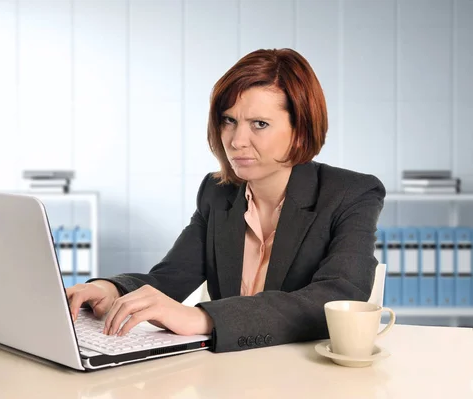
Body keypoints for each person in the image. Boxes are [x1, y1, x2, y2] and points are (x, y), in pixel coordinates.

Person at [66, 48, 385, 353]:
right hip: (228, 374)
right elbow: (170, 277)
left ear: (300, 131)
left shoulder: (351, 193)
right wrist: (111, 289)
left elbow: (337, 297)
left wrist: (204, 318)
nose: (236, 141)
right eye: (229, 120)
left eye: (259, 124)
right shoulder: (217, 192)